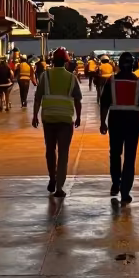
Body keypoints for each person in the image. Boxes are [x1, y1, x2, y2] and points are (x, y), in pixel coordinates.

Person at [99, 51, 139, 203]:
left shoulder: (111, 81)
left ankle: (116, 183)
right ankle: (125, 191)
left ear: (119, 65)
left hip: (115, 120)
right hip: (132, 121)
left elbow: (104, 103)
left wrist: (103, 122)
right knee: (130, 157)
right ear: (133, 65)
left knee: (115, 153)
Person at [32, 47, 82, 197]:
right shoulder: (71, 78)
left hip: (49, 119)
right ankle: (59, 187)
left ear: (53, 61)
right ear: (66, 63)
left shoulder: (45, 76)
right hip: (66, 120)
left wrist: (35, 115)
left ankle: (52, 177)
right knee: (63, 153)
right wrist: (78, 116)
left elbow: (37, 98)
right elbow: (78, 100)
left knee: (50, 151)